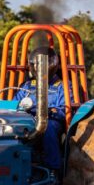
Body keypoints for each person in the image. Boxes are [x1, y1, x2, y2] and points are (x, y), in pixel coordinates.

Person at [14, 46, 71, 174]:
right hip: (28, 121)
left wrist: (50, 111)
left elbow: (64, 110)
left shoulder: (62, 86)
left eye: (41, 65)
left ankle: (53, 170)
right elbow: (15, 104)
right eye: (35, 65)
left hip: (52, 121)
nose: (38, 68)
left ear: (52, 65)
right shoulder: (27, 86)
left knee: (48, 127)